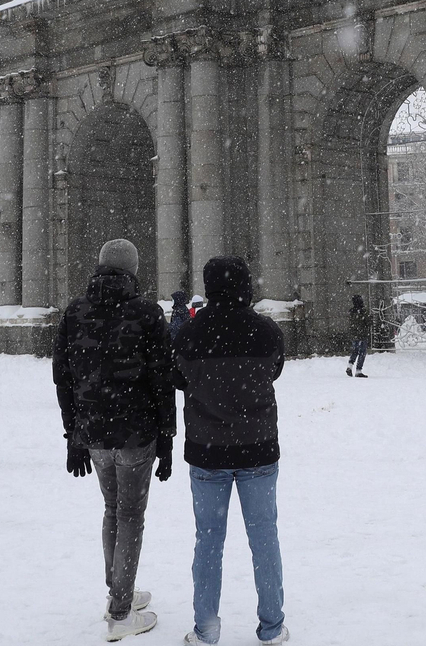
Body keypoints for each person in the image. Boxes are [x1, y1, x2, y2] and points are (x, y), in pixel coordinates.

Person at [53, 238, 175, 641]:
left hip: (94, 434)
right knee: (130, 516)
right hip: (136, 433)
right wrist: (169, 437)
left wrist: (73, 433)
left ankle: (118, 591)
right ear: (133, 270)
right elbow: (162, 380)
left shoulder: (75, 311)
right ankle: (121, 614)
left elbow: (63, 378)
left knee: (112, 510)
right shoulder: (147, 312)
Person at [171, 257, 289, 646]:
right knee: (264, 538)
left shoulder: (190, 332)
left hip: (207, 451)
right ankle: (272, 627)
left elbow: (178, 378)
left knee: (208, 540)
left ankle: (206, 628)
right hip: (257, 449)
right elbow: (273, 370)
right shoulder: (266, 329)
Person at [347, 294, 370, 377]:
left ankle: (350, 365)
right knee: (362, 352)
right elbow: (368, 322)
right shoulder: (363, 311)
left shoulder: (351, 312)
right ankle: (358, 370)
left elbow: (350, 323)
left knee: (355, 350)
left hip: (354, 334)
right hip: (362, 334)